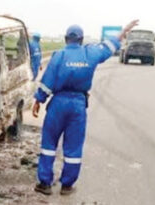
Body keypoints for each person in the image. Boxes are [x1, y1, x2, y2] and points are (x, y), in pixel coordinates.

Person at [32, 20, 139, 196]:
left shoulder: (59, 55)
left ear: (66, 39)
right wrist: (126, 29)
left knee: (49, 143)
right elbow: (110, 45)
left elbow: (47, 81)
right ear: (81, 40)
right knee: (73, 147)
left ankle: (45, 183)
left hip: (58, 103)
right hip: (78, 105)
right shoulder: (90, 53)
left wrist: (39, 100)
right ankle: (67, 185)